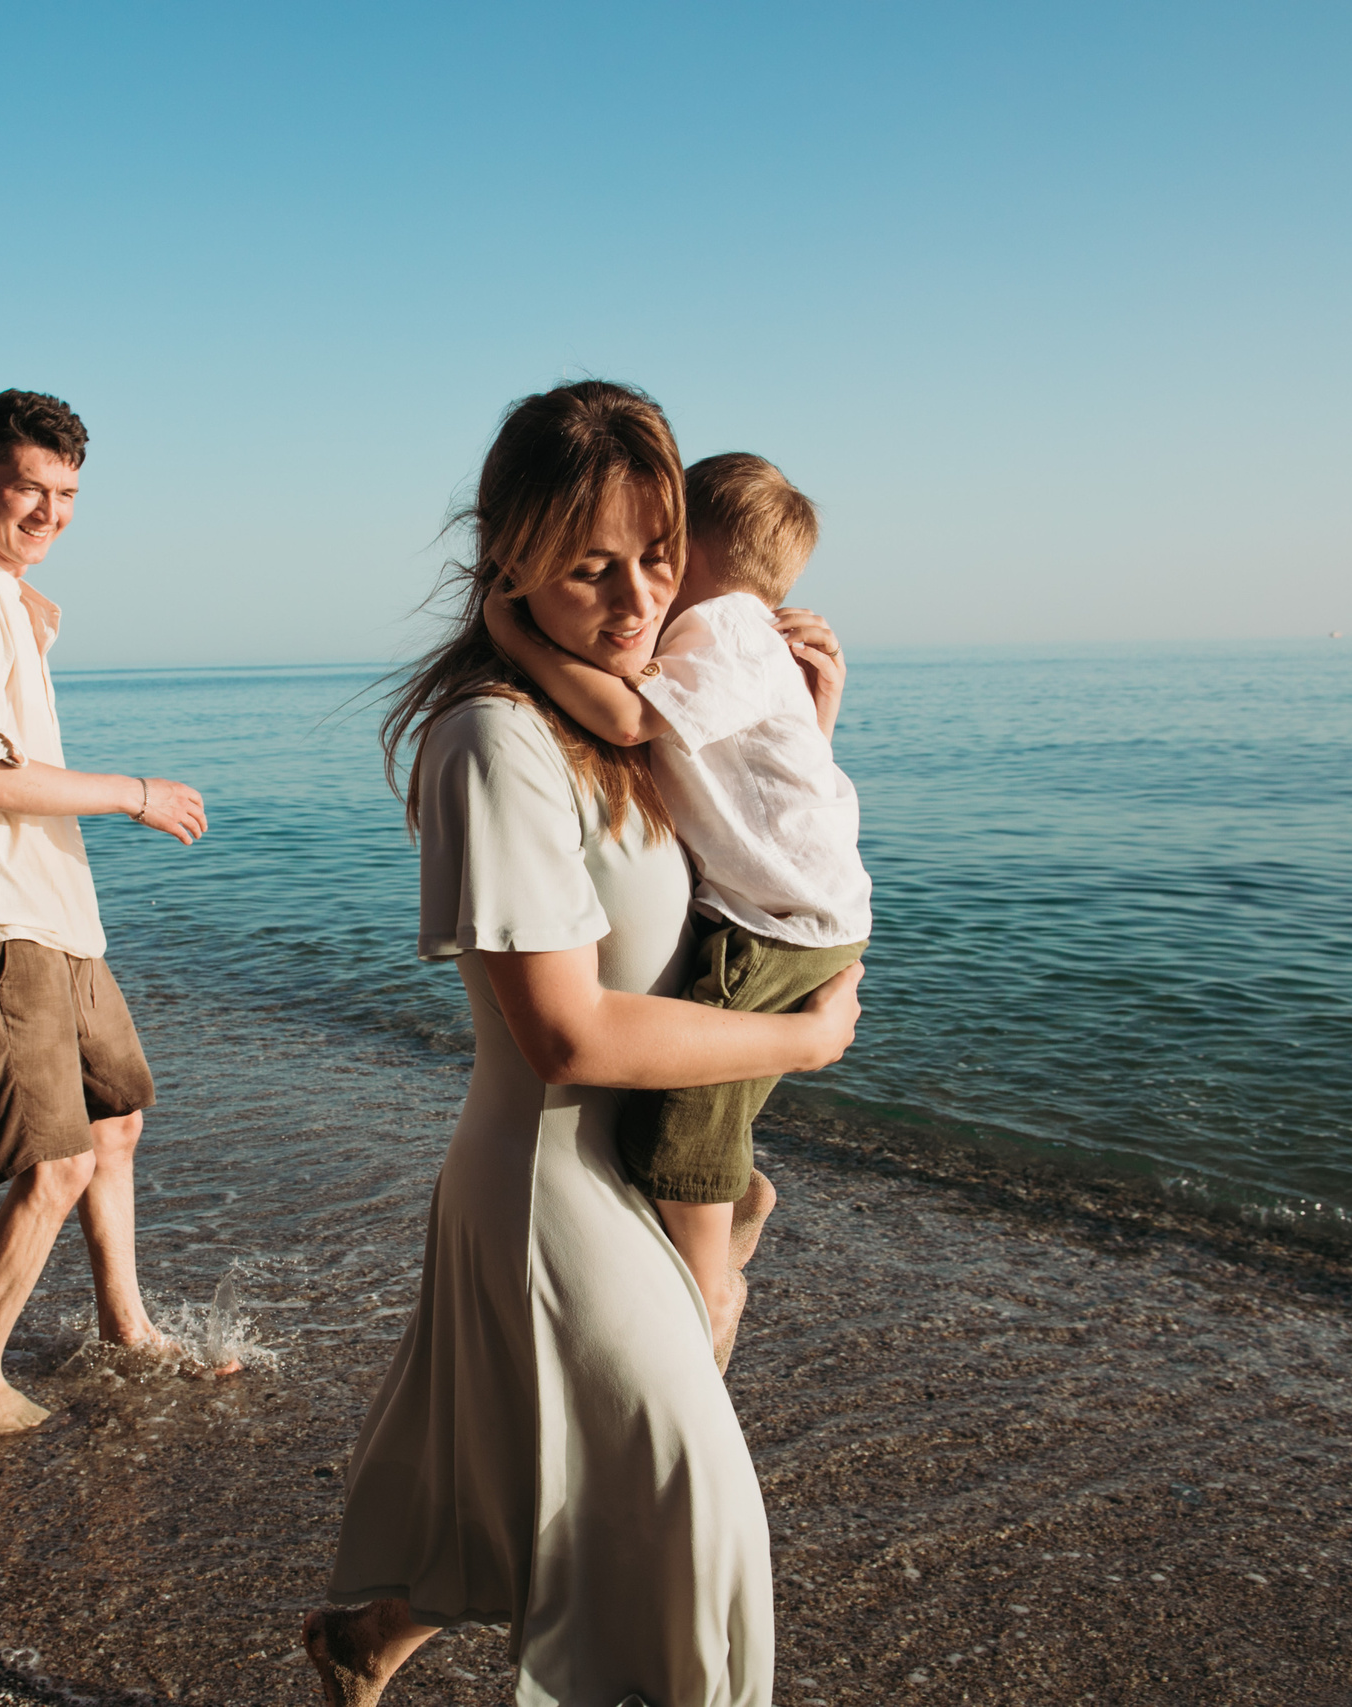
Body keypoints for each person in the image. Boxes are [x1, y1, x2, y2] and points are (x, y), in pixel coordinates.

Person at [305, 381, 864, 1707]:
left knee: (560, 1503)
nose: (633, 599)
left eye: (658, 556)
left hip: (633, 1174)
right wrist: (801, 1038)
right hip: (554, 1192)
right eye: (588, 566)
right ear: (512, 562)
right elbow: (563, 1030)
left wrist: (802, 736)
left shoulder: (622, 715)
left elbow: (729, 882)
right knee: (695, 1530)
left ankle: (361, 1639)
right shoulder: (497, 739)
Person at [482, 451, 863, 1370]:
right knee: (701, 1113)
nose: (642, 586)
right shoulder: (734, 632)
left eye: (661, 550)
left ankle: (704, 1309)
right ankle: (728, 1206)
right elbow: (768, 779)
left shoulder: (723, 629)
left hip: (776, 923)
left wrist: (518, 635)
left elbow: (626, 722)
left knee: (681, 1135)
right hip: (798, 907)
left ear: (699, 549)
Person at [0, 388, 213, 1437]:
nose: (48, 510)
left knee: (115, 1121)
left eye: (65, 493)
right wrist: (135, 793)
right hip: (7, 923)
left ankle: (125, 1323)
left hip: (58, 916)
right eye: (26, 486)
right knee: (59, 1161)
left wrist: (31, 602)